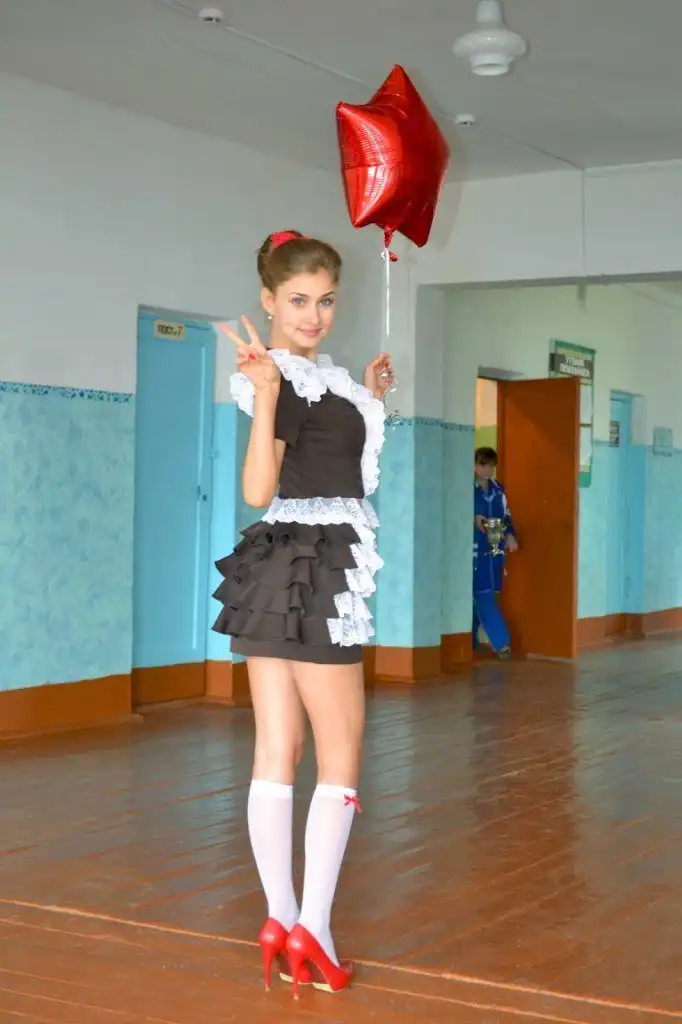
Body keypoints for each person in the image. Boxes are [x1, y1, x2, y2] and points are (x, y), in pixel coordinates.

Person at [212, 229, 392, 998]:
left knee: (277, 751)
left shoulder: (323, 377)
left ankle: (281, 922)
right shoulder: (278, 377)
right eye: (297, 300)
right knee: (338, 755)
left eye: (325, 300)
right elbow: (259, 488)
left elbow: (340, 469)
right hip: (318, 564)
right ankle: (312, 928)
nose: (313, 315)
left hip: (276, 566)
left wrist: (371, 398)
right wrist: (266, 394)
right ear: (268, 300)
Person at [473, 446, 518, 659]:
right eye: (483, 464)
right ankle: (502, 643)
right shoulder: (467, 489)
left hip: (494, 548)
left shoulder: (498, 491)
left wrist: (509, 534)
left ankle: (471, 643)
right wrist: (473, 519)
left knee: (483, 594)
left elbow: (506, 516)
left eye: (491, 465)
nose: (487, 469)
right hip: (473, 551)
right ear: (475, 465)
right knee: (483, 594)